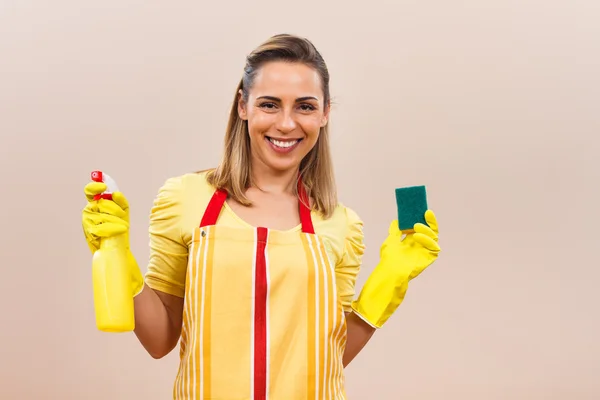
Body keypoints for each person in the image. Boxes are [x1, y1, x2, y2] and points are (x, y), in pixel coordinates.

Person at [81, 33, 441, 400]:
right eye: (270, 105)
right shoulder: (185, 199)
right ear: (243, 106)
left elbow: (324, 359)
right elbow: (159, 340)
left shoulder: (341, 224)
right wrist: (119, 255)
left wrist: (388, 281)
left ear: (325, 113)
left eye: (304, 106)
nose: (286, 124)